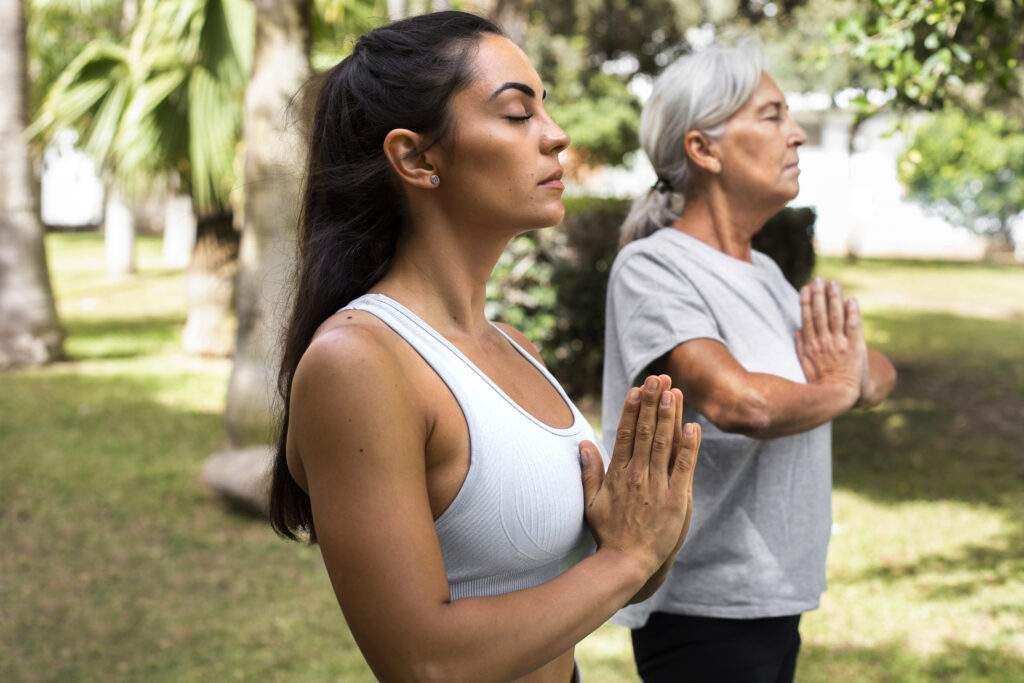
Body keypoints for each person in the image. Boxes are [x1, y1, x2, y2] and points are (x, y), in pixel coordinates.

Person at [267, 11, 702, 682]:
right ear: (416, 157)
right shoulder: (357, 362)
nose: (556, 137)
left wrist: (646, 536)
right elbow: (423, 662)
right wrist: (627, 560)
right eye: (516, 114)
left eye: (546, 111)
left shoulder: (514, 347)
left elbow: (601, 584)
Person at [601, 40, 897, 683]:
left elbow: (876, 368)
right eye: (771, 115)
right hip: (703, 608)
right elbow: (745, 402)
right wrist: (844, 387)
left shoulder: (763, 272)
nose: (795, 136)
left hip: (773, 595)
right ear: (703, 150)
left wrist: (848, 376)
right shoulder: (655, 267)